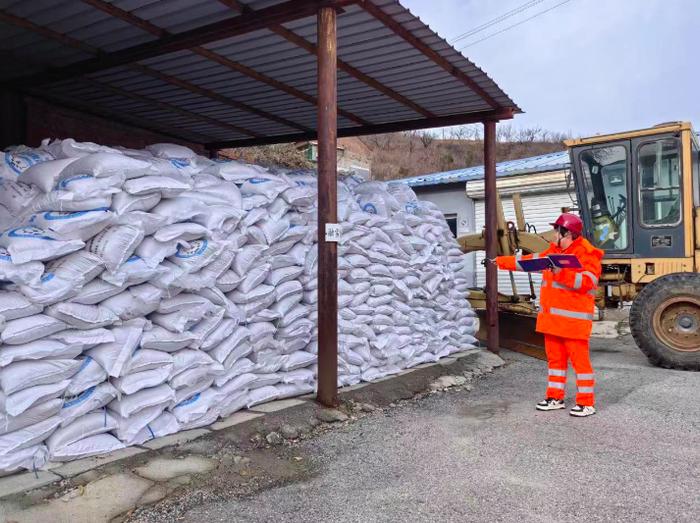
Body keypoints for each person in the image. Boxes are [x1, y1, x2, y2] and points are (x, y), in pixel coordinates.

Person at [489, 213, 604, 417]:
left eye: (556, 231)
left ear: (566, 233)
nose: (552, 235)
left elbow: (587, 283)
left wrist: (560, 272)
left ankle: (586, 403)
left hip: (573, 323)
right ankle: (554, 397)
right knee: (555, 363)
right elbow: (528, 261)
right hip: (552, 321)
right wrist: (500, 262)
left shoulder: (587, 253)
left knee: (581, 364)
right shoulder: (553, 252)